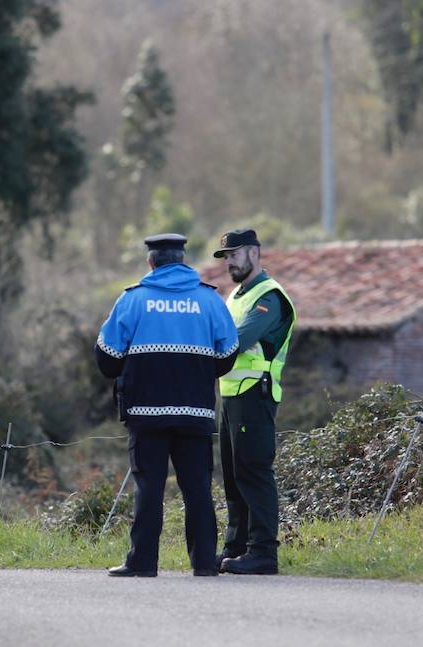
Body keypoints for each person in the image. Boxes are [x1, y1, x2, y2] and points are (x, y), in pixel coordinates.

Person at [96, 233, 239, 577]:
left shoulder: (133, 300)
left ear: (151, 262)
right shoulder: (209, 301)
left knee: (149, 489)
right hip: (196, 413)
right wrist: (199, 372)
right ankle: (205, 564)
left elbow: (106, 359)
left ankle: (142, 563)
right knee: (198, 490)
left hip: (146, 414)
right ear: (183, 260)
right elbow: (228, 353)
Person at [213, 229, 296, 575]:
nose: (229, 261)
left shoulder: (269, 296)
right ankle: (236, 548)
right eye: (225, 256)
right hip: (232, 396)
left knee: (254, 473)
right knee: (234, 476)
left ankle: (263, 553)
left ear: (253, 253)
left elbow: (239, 338)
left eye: (234, 254)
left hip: (255, 396)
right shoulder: (236, 296)